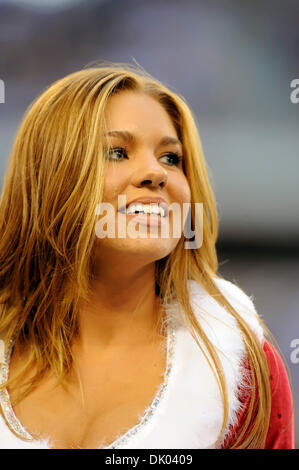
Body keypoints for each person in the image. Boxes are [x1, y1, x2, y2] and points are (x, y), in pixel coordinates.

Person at [0, 62, 294, 449]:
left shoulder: (244, 369)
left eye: (171, 158)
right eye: (117, 152)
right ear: (50, 178)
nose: (155, 173)